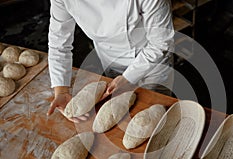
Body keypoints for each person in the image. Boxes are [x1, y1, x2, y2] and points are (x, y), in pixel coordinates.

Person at [46, 0, 174, 123]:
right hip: (111, 61)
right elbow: (59, 44)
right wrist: (61, 90)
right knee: (120, 118)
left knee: (155, 119)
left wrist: (127, 78)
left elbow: (160, 44)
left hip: (153, 65)